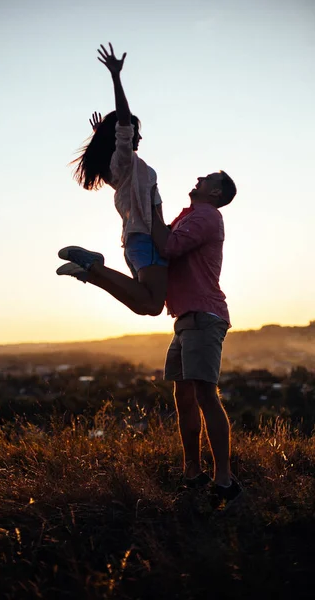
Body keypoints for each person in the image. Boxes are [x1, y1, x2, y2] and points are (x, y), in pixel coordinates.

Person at [150, 171, 243, 508]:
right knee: (183, 395)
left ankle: (224, 481)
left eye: (207, 178)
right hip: (186, 318)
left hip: (204, 316)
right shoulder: (192, 215)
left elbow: (168, 246)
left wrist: (153, 207)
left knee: (205, 393)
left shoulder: (207, 215)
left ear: (216, 192)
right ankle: (192, 473)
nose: (199, 178)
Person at [56, 43, 168, 317]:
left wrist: (99, 133)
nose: (138, 137)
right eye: (135, 132)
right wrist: (116, 78)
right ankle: (94, 267)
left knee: (146, 305)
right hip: (146, 240)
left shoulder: (116, 169)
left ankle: (91, 273)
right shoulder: (126, 164)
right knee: (152, 305)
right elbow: (124, 126)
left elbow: (121, 133)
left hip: (134, 242)